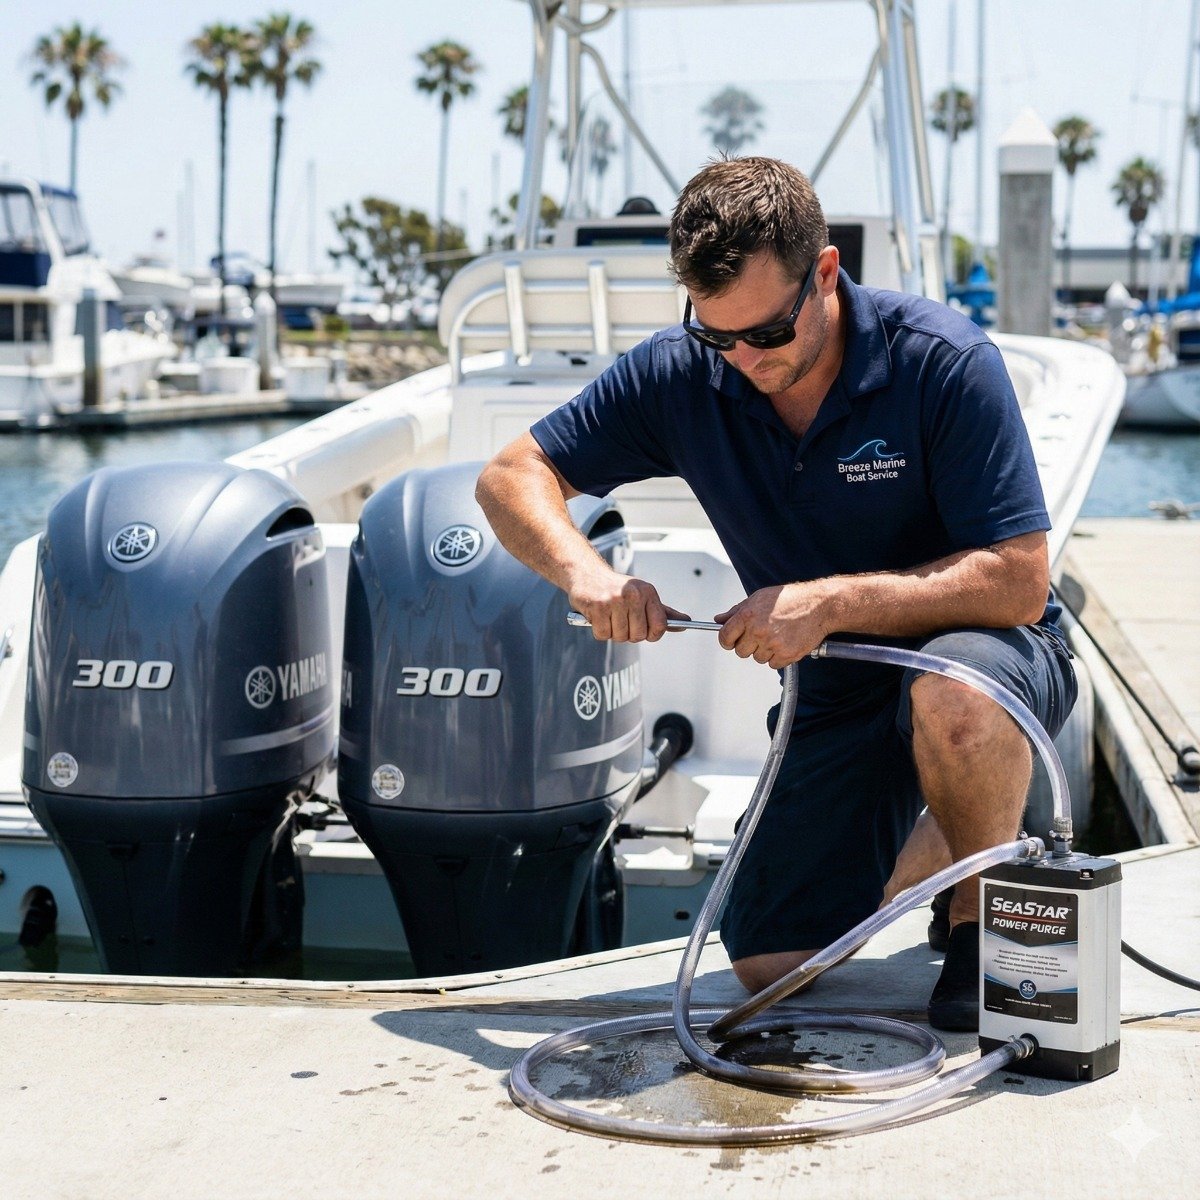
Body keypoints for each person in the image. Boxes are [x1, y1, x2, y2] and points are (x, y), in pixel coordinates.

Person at [475, 157, 1076, 1032]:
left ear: (825, 274)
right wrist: (589, 574)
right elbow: (511, 474)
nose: (745, 360)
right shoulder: (686, 372)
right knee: (767, 963)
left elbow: (1021, 580)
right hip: (832, 687)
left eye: (767, 333)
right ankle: (936, 836)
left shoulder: (945, 362)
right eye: (718, 337)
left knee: (953, 696)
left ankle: (974, 918)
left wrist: (826, 603)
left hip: (989, 652)